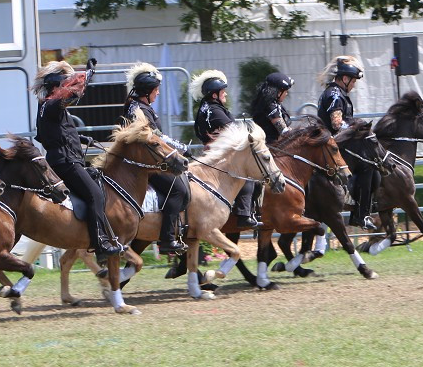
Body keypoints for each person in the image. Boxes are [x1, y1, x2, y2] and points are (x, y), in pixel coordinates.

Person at [33, 58, 124, 261]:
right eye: (63, 84)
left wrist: (80, 138)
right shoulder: (53, 104)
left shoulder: (46, 106)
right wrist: (89, 74)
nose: (68, 86)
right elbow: (73, 93)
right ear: (56, 87)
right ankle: (100, 244)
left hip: (64, 158)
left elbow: (52, 133)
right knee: (95, 195)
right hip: (67, 162)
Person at [121, 63, 188, 255]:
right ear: (147, 91)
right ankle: (167, 239)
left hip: (150, 160)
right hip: (143, 165)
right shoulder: (138, 110)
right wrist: (182, 148)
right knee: (178, 189)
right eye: (156, 90)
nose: (158, 93)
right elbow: (155, 135)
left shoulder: (140, 106)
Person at [190, 69, 259, 228]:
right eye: (223, 92)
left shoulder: (205, 107)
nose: (225, 95)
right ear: (214, 95)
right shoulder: (214, 110)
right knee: (248, 178)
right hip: (221, 157)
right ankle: (243, 214)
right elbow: (234, 131)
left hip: (213, 153)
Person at [317, 54, 378, 231]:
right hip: (334, 145)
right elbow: (337, 123)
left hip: (338, 142)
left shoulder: (336, 92)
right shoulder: (335, 95)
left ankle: (362, 206)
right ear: (345, 78)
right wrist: (356, 127)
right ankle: (360, 213)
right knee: (367, 166)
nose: (354, 85)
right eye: (353, 81)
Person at [250, 72, 294, 143]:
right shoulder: (270, 106)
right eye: (286, 91)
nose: (286, 94)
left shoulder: (273, 103)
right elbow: (284, 132)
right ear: (279, 92)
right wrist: (302, 132)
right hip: (270, 147)